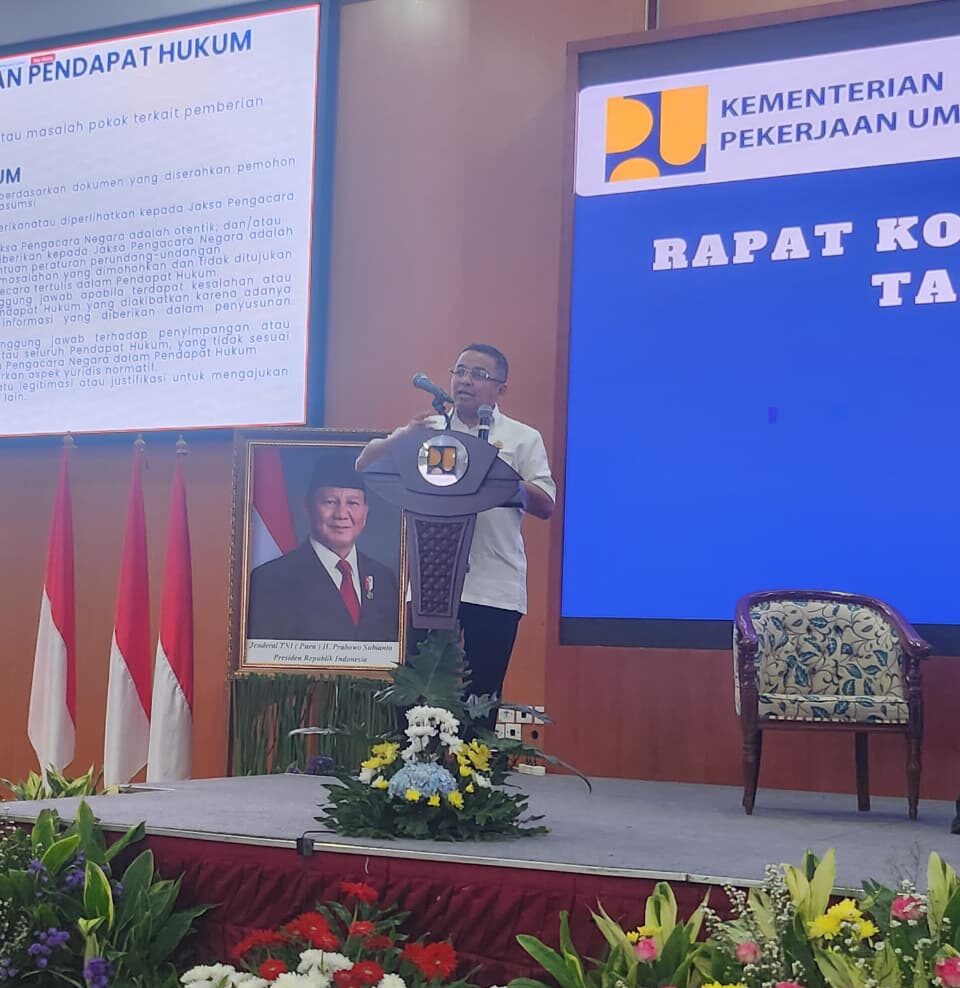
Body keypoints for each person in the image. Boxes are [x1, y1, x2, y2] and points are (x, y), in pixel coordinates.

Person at [356, 343, 556, 724]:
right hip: (432, 585)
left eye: (478, 374)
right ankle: (416, 762)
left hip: (493, 586)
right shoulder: (429, 431)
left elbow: (546, 503)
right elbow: (364, 463)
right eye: (460, 371)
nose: (465, 380)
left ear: (501, 388)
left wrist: (497, 476)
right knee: (418, 700)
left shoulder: (521, 438)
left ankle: (473, 763)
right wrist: (402, 437)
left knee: (480, 701)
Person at [247, 450, 400, 642]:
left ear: (365, 513)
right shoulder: (269, 580)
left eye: (353, 503)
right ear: (308, 507)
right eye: (330, 502)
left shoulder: (384, 579)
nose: (341, 514)